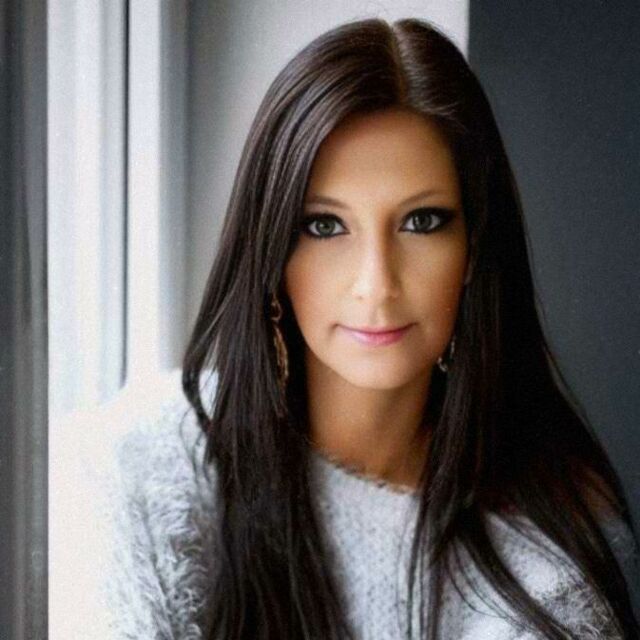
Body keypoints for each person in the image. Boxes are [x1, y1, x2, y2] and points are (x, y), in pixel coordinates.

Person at [93, 16, 640, 639]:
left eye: (422, 221)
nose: (376, 284)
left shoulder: (549, 563)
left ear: (474, 248)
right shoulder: (142, 467)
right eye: (325, 226)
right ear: (272, 252)